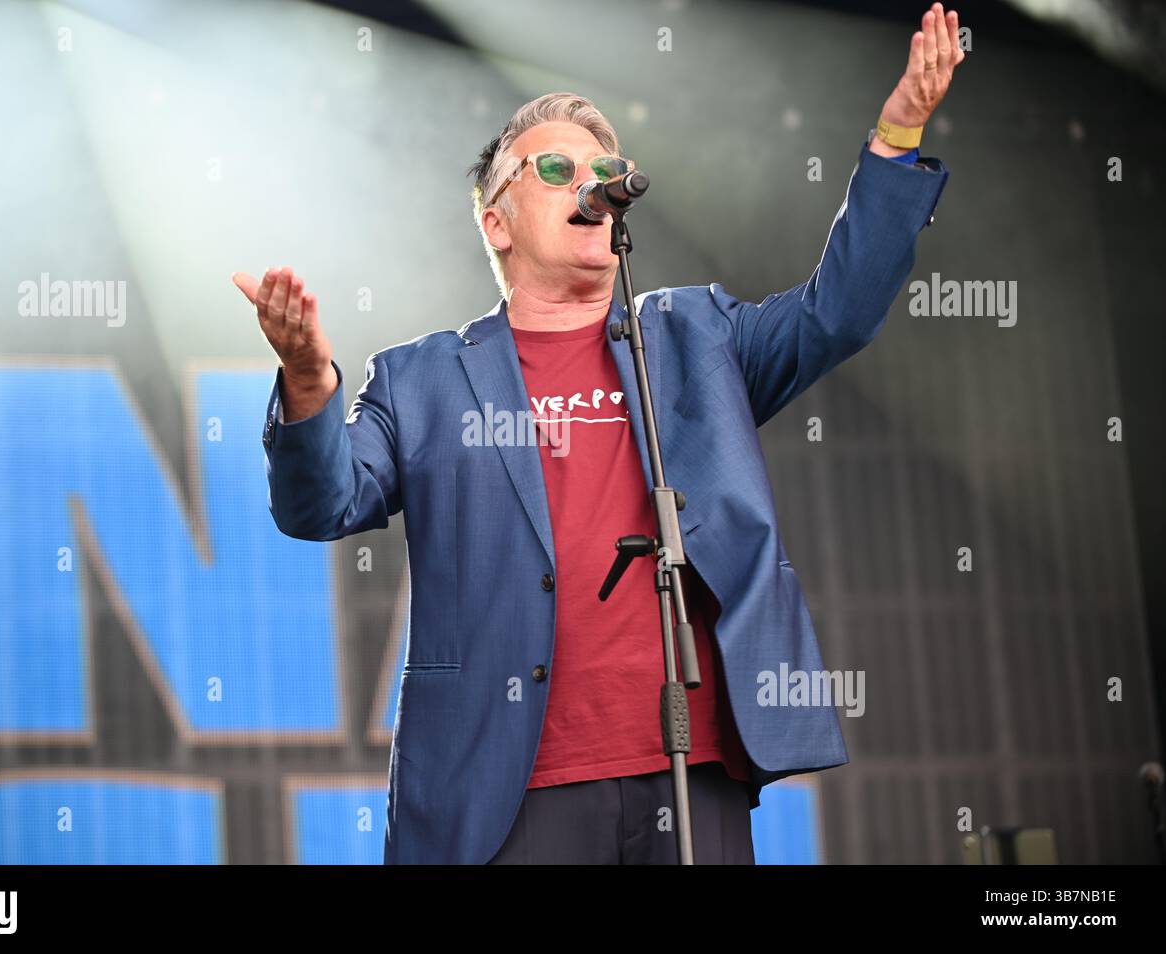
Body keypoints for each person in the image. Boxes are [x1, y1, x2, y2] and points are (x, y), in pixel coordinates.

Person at [233, 4, 965, 865]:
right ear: (496, 221)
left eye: (607, 166)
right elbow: (320, 504)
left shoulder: (700, 338)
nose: (594, 179)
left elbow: (837, 312)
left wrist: (897, 134)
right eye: (556, 166)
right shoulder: (422, 379)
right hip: (509, 789)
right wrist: (312, 382)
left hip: (691, 771)